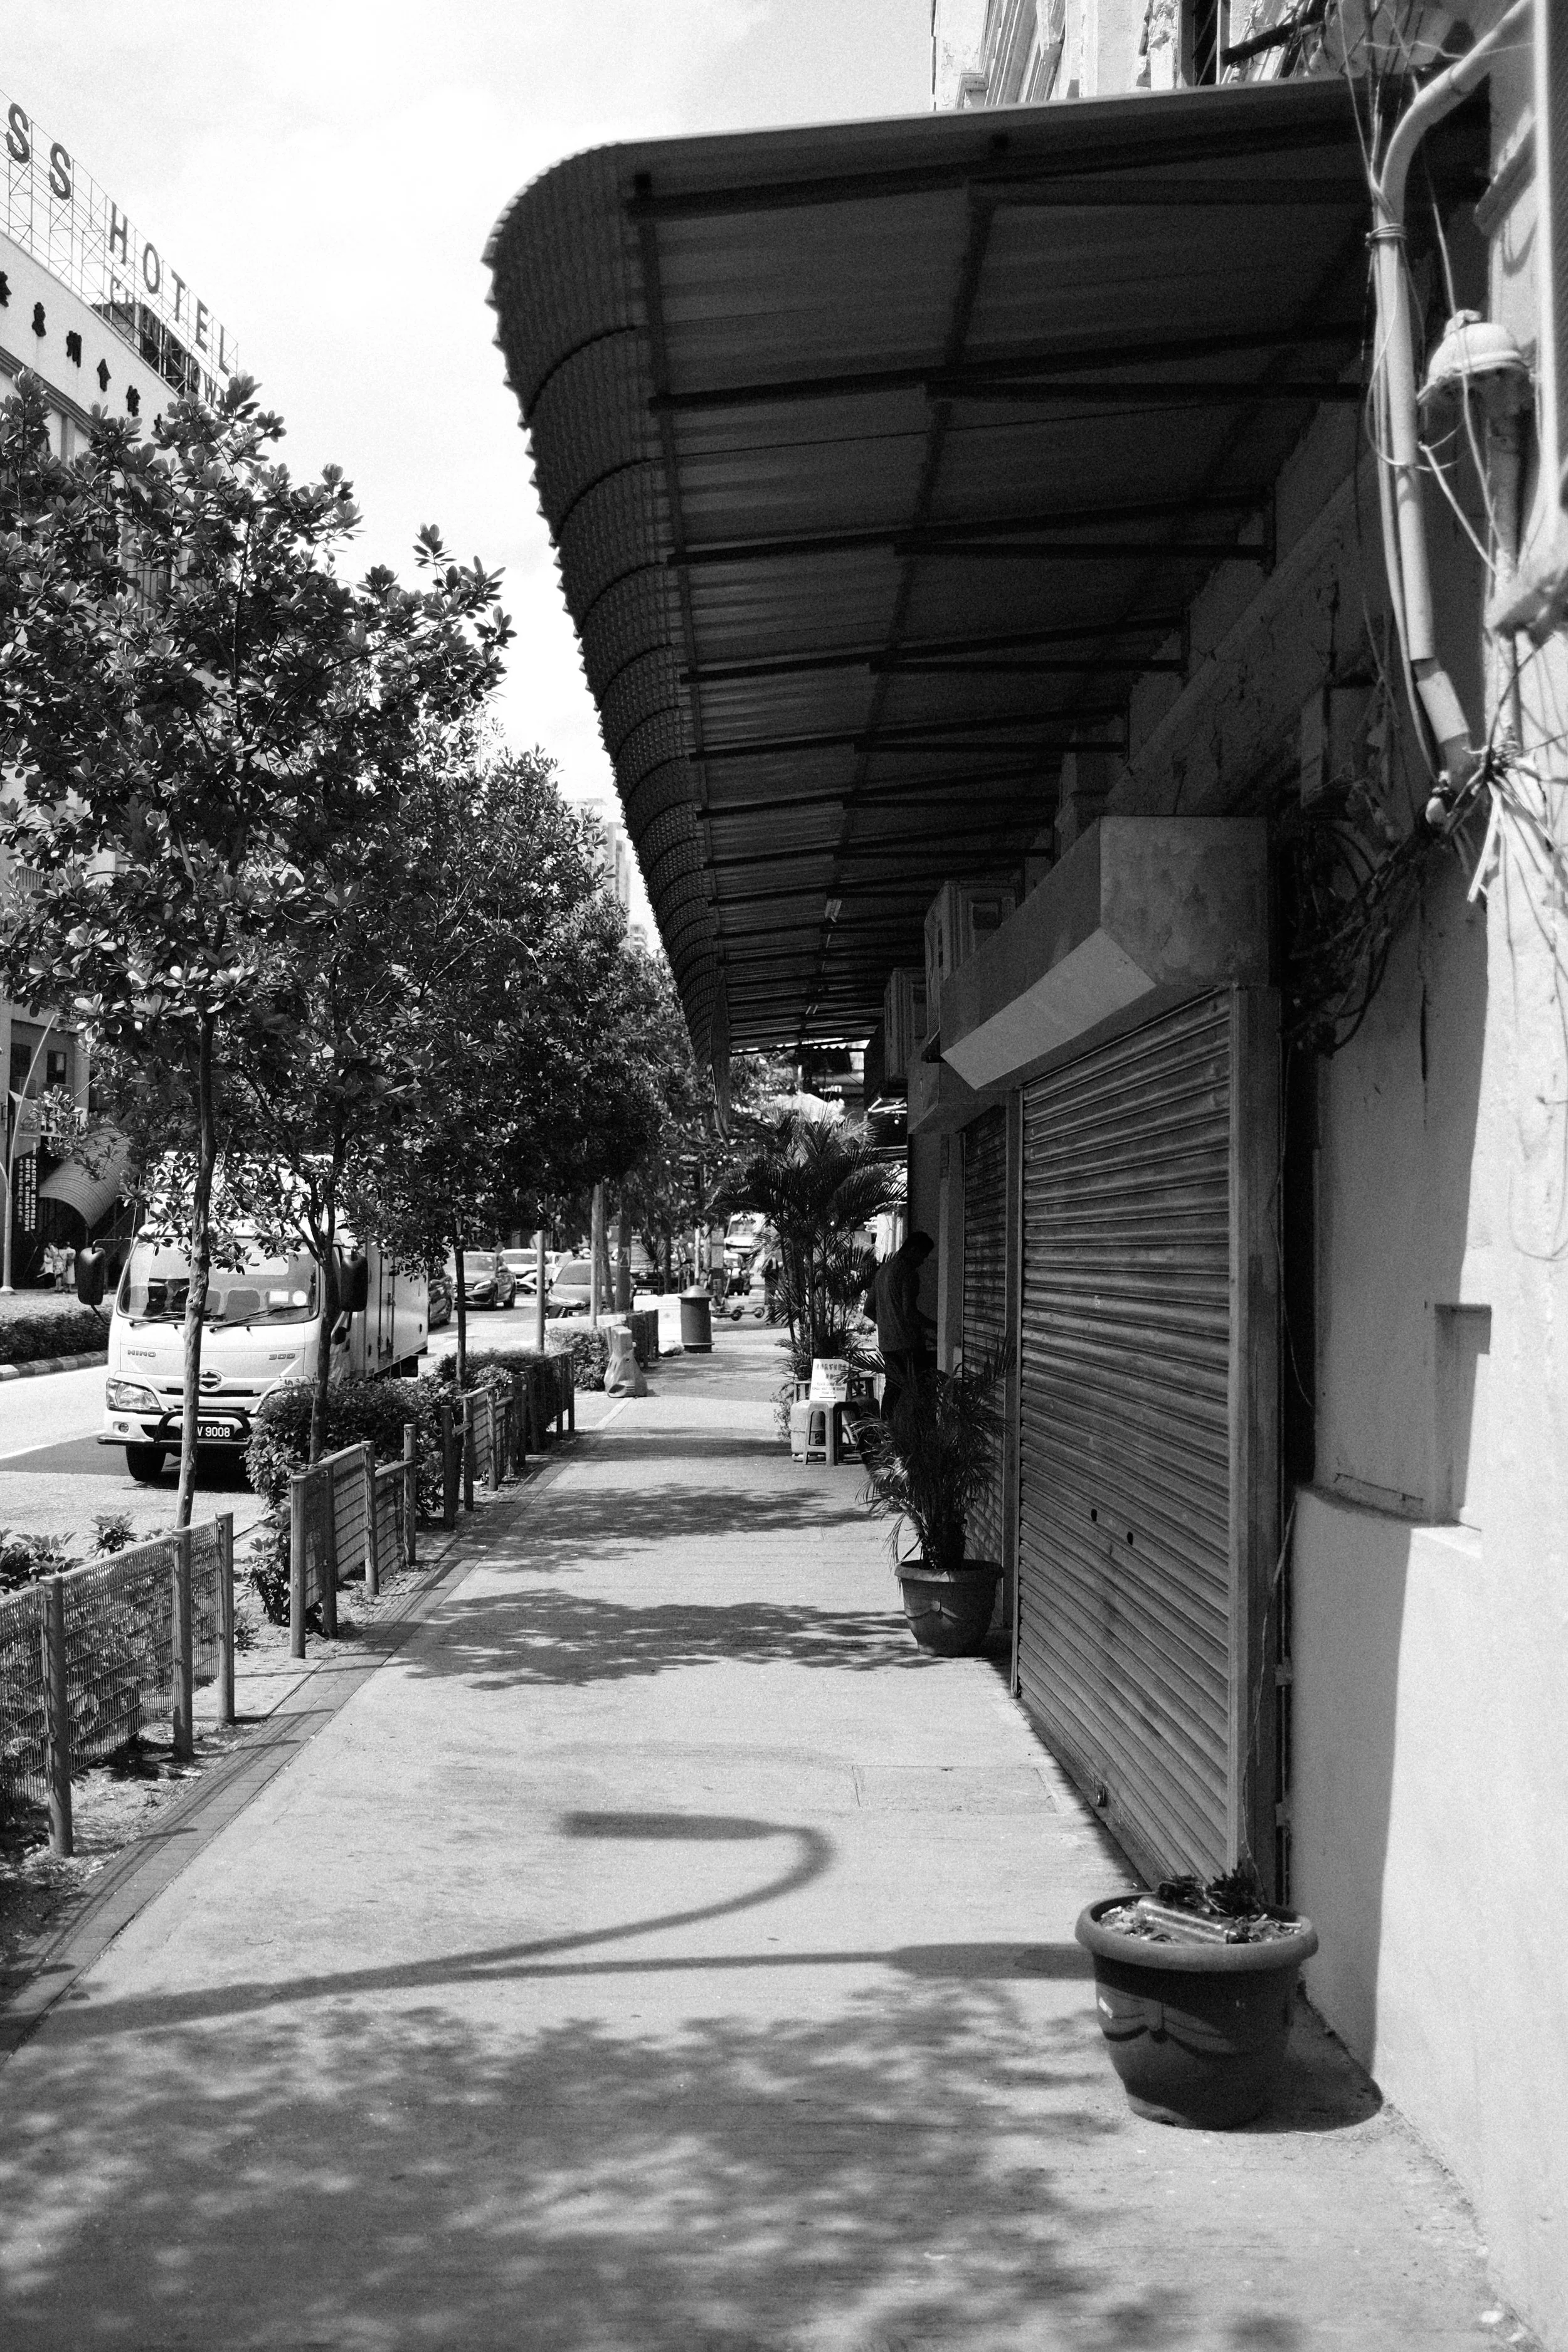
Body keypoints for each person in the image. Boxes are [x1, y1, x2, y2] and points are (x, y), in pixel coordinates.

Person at [872, 1230, 937, 1418]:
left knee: (893, 1388)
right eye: (923, 1256)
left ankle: (887, 1430)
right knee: (919, 1391)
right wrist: (937, 1328)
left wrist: (888, 1324)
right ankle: (915, 1432)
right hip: (908, 1344)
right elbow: (909, 1312)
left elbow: (868, 1308)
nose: (923, 1262)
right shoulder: (908, 1272)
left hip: (888, 1344)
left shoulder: (883, 1271)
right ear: (914, 1250)